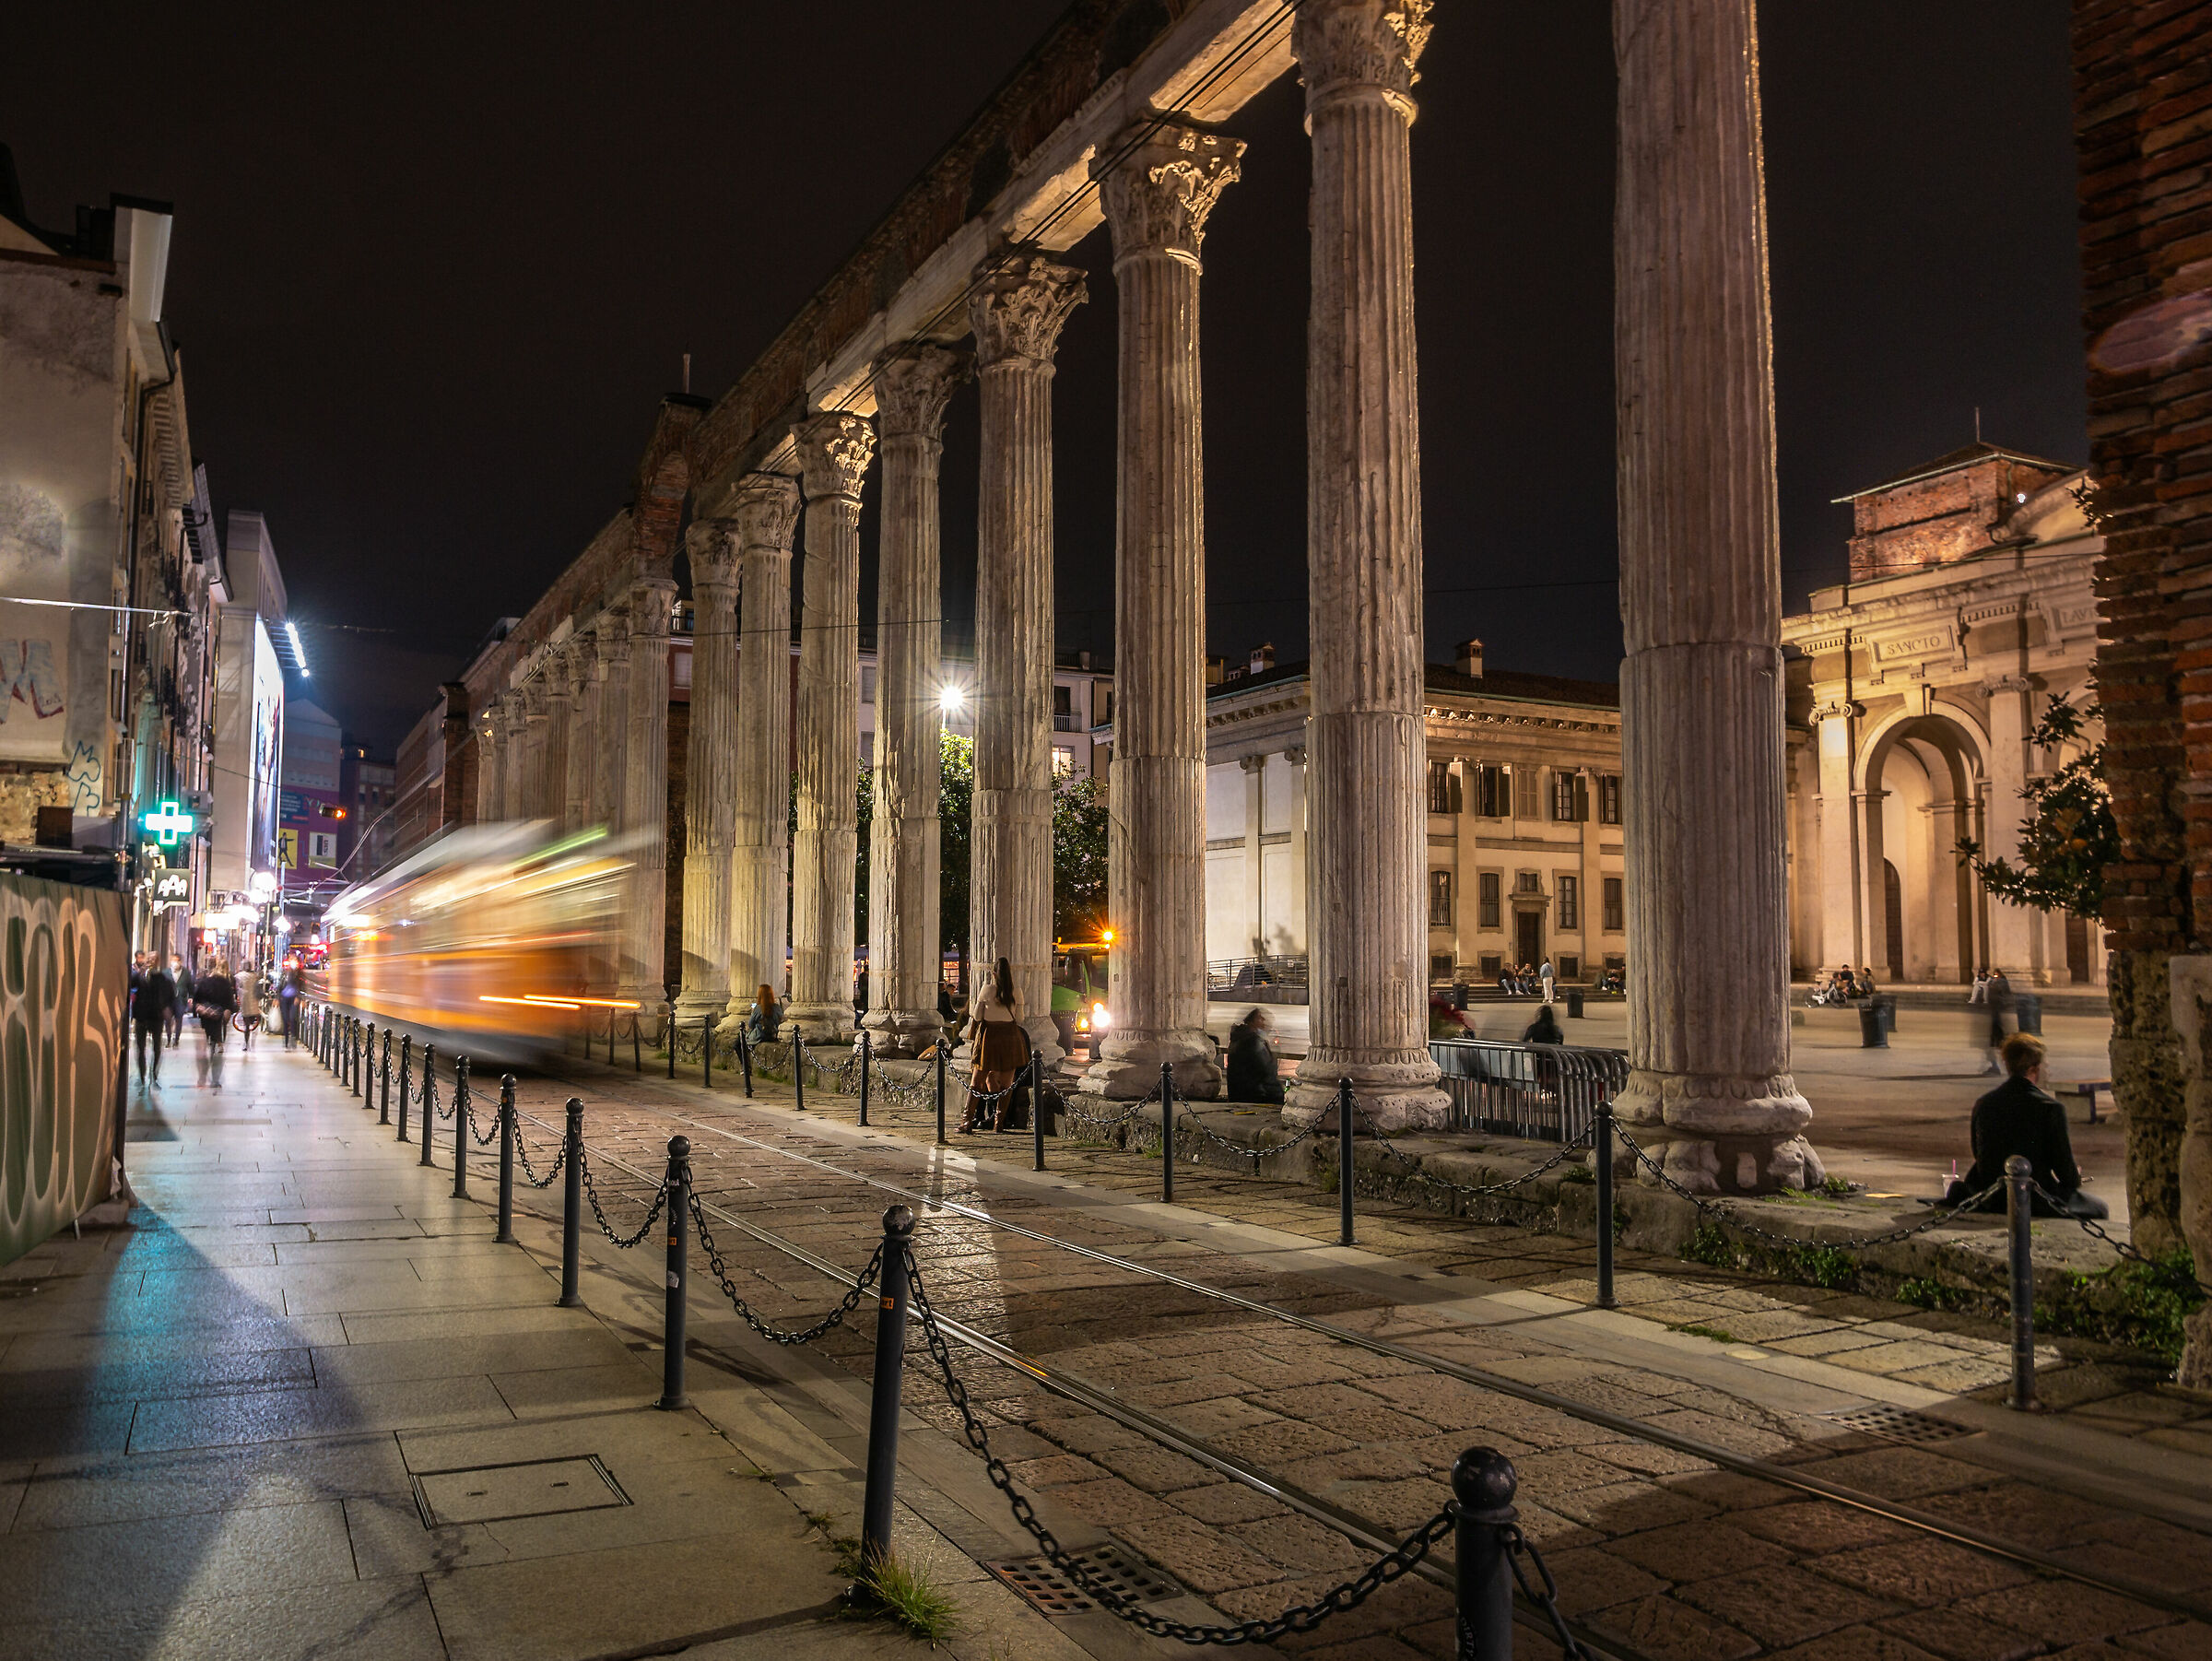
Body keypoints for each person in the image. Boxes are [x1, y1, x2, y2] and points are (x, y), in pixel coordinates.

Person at [1947, 1032, 2107, 1218]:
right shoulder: (2050, 1108)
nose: (2048, 1070)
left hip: (1991, 1196)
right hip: (2033, 1198)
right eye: (2045, 1065)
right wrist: (2075, 1178)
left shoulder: (1984, 1103)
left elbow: (1979, 1153)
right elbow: (2065, 1170)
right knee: (2099, 1208)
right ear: (2034, 1069)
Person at [962, 956, 1028, 1133]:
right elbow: (1020, 1018)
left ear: (994, 973)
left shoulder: (987, 990)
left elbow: (977, 1017)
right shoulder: (1017, 991)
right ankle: (999, 1122)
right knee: (1007, 1084)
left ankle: (967, 1121)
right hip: (1010, 1038)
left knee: (977, 1081)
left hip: (989, 1037)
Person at [193, 958, 237, 1089]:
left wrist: (200, 1009)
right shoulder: (225, 983)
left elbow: (196, 1000)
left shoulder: (204, 982)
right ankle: (215, 1078)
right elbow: (229, 1002)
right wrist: (227, 1011)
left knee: (207, 1044)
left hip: (206, 1016)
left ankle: (204, 1075)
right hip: (218, 1016)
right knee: (216, 1044)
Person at [1225, 1007, 1285, 1104]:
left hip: (1240, 1096)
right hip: (1255, 1097)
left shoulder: (1239, 1039)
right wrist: (1278, 1096)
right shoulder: (1253, 1042)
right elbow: (1266, 1073)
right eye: (1260, 1018)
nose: (1264, 1020)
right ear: (1251, 1022)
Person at [132, 953, 174, 1087]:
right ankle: (143, 1075)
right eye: (149, 959)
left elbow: (170, 996)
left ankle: (153, 1074)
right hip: (144, 1017)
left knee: (155, 1047)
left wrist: (166, 1009)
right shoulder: (139, 977)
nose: (150, 961)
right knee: (141, 1048)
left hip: (154, 1017)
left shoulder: (162, 979)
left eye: (153, 960)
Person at [1982, 969, 2018, 1076]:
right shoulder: (1993, 982)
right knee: (1995, 1044)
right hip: (1995, 1016)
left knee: (1997, 1044)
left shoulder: (2001, 983)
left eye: (1997, 974)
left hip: (1997, 1017)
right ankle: (1996, 1065)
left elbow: (2003, 997)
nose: (1995, 976)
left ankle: (2000, 1066)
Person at [744, 983, 782, 1049]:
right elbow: (779, 1023)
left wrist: (753, 1013)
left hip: (759, 1036)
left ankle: (744, 1059)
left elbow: (751, 1025)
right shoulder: (776, 1007)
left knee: (738, 1041)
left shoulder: (758, 1008)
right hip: (772, 1035)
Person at [279, 963, 304, 1049]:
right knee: (286, 1019)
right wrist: (277, 998)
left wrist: (299, 997)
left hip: (294, 999)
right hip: (284, 999)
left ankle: (294, 1037)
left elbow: (301, 987)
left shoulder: (298, 975)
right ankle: (286, 1041)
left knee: (293, 1018)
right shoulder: (284, 975)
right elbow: (280, 987)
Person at [170, 954, 193, 1046]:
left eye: (177, 960)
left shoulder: (186, 973)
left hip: (181, 1000)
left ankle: (176, 1039)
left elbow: (190, 986)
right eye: (173, 960)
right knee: (168, 1019)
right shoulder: (166, 972)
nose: (175, 962)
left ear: (180, 961)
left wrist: (191, 997)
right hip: (169, 1000)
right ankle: (169, 1036)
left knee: (179, 1019)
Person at [237, 966, 263, 1050]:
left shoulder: (240, 976)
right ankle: (252, 1043)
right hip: (254, 1003)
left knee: (246, 1025)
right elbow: (259, 991)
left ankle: (246, 1043)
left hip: (245, 1002)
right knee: (254, 1024)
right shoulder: (255, 977)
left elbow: (238, 987)